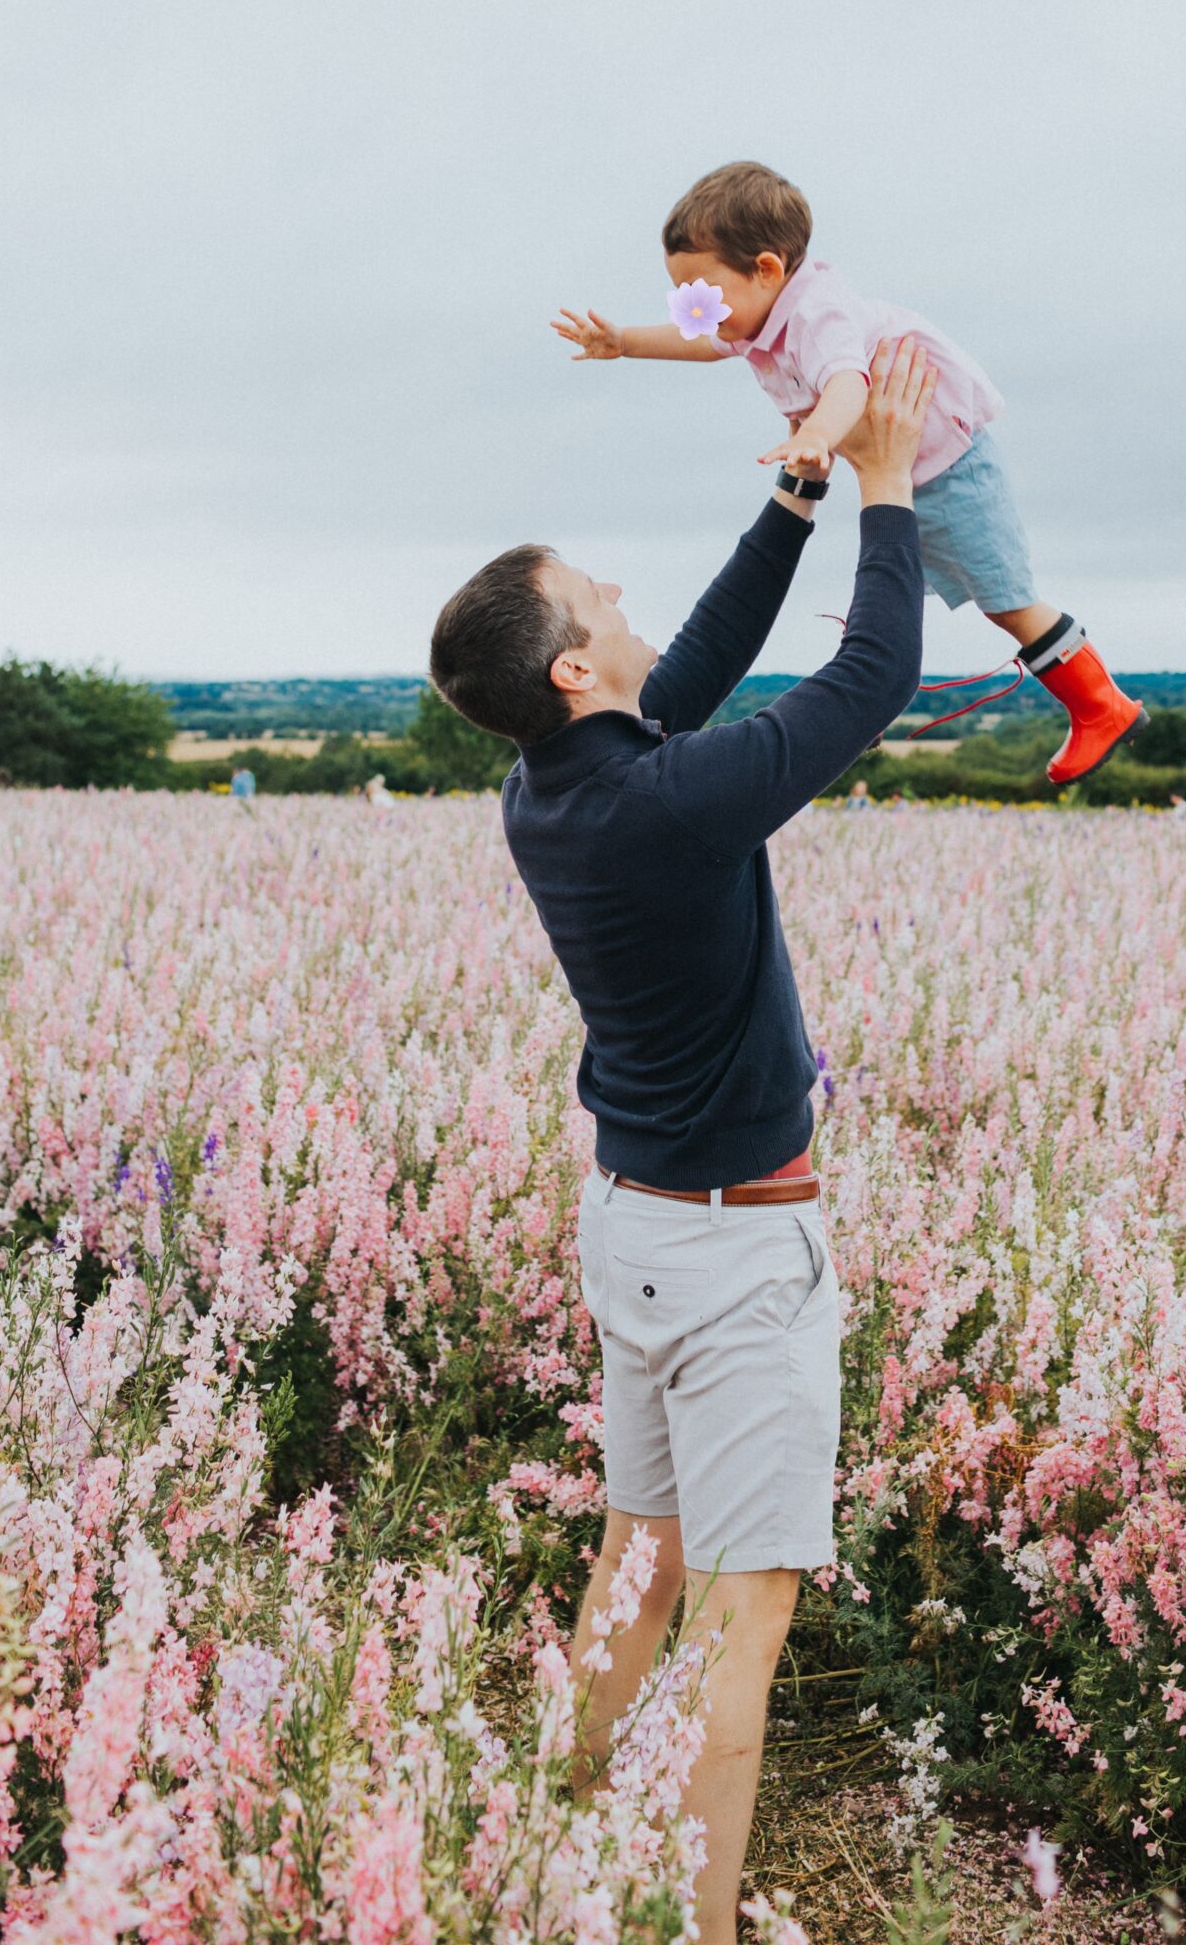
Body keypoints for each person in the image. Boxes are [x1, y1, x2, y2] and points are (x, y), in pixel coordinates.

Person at [428, 342, 936, 1945]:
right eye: (597, 596)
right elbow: (866, 683)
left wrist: (790, 483)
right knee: (742, 1618)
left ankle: (561, 1851)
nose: (624, 596)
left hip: (637, 1233)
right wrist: (886, 486)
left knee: (637, 1558)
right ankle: (690, 1930)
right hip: (730, 1255)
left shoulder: (552, 788)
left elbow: (693, 670)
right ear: (573, 668)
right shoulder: (659, 805)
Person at [552, 159, 1147, 787]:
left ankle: (1101, 706)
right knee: (886, 598)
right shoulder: (756, 315)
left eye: (703, 294)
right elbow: (703, 344)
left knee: (1006, 602)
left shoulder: (816, 314)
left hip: (953, 467)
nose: (694, 311)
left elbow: (848, 381)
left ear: (767, 269)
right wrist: (624, 342)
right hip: (905, 473)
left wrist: (815, 433)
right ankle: (859, 715)